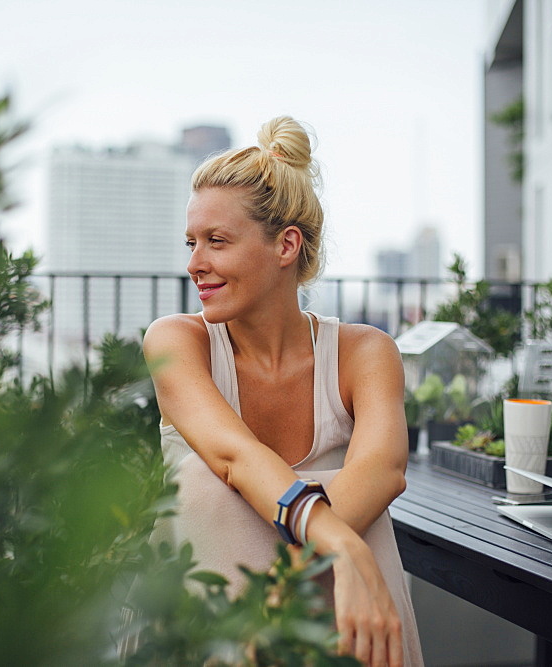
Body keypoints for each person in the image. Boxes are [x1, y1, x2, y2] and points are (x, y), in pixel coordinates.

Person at [143, 116, 423, 666]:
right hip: (208, 622)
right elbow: (233, 457)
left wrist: (287, 584)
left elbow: (383, 469)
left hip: (325, 619)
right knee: (208, 483)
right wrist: (338, 546)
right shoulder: (176, 340)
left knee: (365, 511)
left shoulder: (364, 352)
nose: (195, 264)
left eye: (217, 242)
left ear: (286, 245)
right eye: (191, 243)